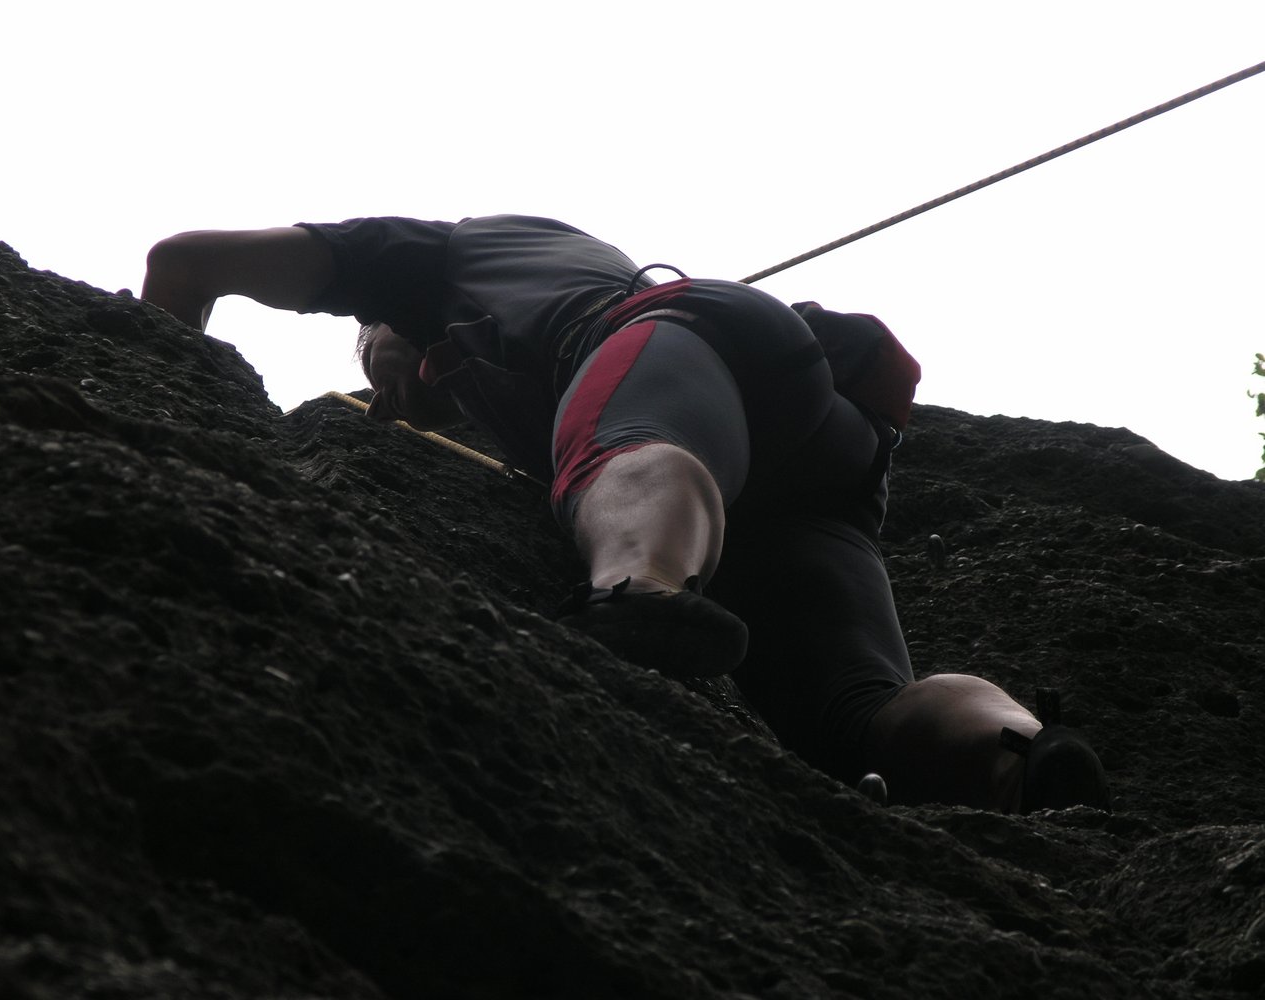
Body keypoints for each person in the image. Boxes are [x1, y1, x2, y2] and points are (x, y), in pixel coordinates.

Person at [141, 214, 1110, 814]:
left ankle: (638, 595)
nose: (382, 398)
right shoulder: (510, 354)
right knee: (854, 714)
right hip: (821, 449)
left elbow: (183, 262)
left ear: (387, 319)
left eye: (371, 361)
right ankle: (1021, 752)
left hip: (674, 340)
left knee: (616, 446)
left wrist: (152, 406)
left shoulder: (426, 258)